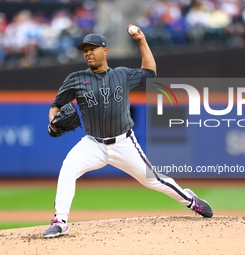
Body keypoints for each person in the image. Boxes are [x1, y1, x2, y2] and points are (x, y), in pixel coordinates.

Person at [43, 25, 213, 238]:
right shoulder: (76, 79)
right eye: (84, 49)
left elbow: (150, 73)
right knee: (68, 167)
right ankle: (61, 221)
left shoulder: (122, 74)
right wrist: (53, 120)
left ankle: (190, 200)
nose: (87, 52)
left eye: (92, 48)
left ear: (104, 51)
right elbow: (56, 104)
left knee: (153, 180)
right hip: (93, 143)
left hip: (123, 142)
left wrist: (142, 41)